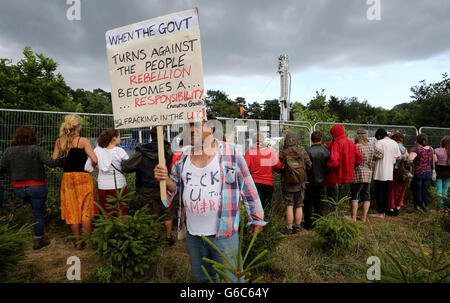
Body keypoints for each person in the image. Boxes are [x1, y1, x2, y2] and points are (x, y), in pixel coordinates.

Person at [153, 114, 265, 283]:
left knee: (231, 279)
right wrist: (165, 179)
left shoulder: (231, 152)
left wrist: (256, 218)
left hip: (224, 234)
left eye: (197, 125)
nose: (191, 129)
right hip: (194, 235)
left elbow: (248, 187)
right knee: (203, 279)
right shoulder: (183, 158)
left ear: (211, 127)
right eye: (189, 125)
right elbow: (174, 186)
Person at [0, 126, 63, 250]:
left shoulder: (8, 151)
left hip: (18, 189)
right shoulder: (36, 149)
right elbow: (50, 162)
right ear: (32, 137)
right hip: (37, 187)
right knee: (38, 213)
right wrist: (66, 159)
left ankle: (45, 214)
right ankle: (38, 240)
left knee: (36, 208)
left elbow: (1, 169)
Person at [122, 126, 175, 245]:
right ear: (164, 135)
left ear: (151, 136)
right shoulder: (169, 150)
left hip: (147, 188)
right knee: (168, 212)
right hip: (166, 186)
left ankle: (156, 235)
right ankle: (169, 236)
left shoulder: (142, 152)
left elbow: (127, 167)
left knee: (152, 213)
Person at [52, 115, 98, 250]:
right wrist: (92, 166)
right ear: (78, 127)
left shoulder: (59, 141)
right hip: (83, 178)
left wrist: (61, 165)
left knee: (72, 210)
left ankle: (78, 243)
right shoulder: (83, 141)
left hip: (68, 179)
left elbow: (54, 161)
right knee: (86, 210)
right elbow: (94, 159)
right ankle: (88, 242)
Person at [85, 128, 129, 216]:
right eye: (119, 137)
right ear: (114, 138)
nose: (120, 139)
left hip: (103, 186)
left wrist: (97, 169)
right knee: (121, 211)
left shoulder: (98, 150)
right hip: (119, 185)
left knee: (107, 211)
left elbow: (87, 167)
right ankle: (121, 229)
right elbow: (128, 165)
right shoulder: (119, 151)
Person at [279, 132, 311, 234]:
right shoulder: (302, 151)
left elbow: (279, 168)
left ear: (286, 140)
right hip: (300, 184)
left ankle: (289, 228)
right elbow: (309, 165)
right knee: (299, 205)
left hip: (287, 183)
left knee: (289, 205)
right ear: (297, 140)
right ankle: (297, 227)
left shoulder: (282, 152)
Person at [349, 129, 383, 222]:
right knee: (366, 196)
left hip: (358, 172)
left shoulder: (356, 146)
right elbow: (381, 154)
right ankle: (364, 217)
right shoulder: (371, 146)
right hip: (368, 172)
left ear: (357, 135)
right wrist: (372, 157)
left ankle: (353, 217)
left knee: (355, 195)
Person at [244, 133, 282, 216]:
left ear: (253, 141)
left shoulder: (250, 152)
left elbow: (245, 168)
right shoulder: (270, 151)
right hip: (268, 183)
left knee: (254, 206)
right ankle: (267, 224)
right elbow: (278, 166)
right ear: (263, 141)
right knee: (267, 205)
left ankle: (255, 224)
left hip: (254, 183)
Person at [324, 124, 363, 205]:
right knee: (339, 197)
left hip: (335, 175)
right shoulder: (351, 143)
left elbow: (334, 161)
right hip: (346, 175)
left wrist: (326, 169)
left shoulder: (337, 143)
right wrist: (352, 166)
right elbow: (359, 158)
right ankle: (339, 215)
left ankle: (335, 216)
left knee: (333, 198)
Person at [371, 128, 401, 219]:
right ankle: (386, 210)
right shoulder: (394, 143)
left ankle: (381, 212)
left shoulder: (379, 142)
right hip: (389, 172)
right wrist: (392, 159)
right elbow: (399, 156)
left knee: (379, 192)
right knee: (386, 192)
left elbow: (375, 155)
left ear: (379, 136)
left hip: (380, 171)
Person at [304, 131, 330, 230]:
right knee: (319, 202)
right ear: (321, 139)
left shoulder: (307, 151)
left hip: (309, 181)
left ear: (311, 139)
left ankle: (308, 224)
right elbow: (329, 166)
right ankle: (318, 222)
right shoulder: (327, 151)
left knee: (308, 202)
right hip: (322, 180)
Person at [408, 134, 437, 211]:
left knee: (417, 190)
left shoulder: (416, 149)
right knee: (424, 190)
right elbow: (435, 160)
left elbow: (410, 158)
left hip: (419, 172)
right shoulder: (431, 149)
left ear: (417, 141)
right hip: (428, 172)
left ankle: (418, 208)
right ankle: (425, 207)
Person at [388, 132, 410, 216]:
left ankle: (391, 208)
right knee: (401, 190)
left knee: (392, 189)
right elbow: (407, 157)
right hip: (403, 172)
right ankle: (398, 207)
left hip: (394, 170)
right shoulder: (404, 148)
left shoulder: (394, 147)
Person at [434, 136, 450, 210]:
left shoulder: (436, 150)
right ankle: (446, 207)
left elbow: (434, 161)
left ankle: (440, 208)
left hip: (439, 173)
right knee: (445, 191)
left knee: (438, 191)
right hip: (448, 174)